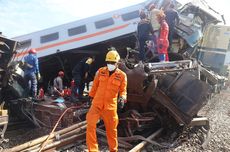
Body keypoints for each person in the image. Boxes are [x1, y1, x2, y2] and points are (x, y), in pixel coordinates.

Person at [86, 49, 127, 152]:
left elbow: (123, 91)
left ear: (117, 63)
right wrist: (90, 96)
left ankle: (113, 150)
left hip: (110, 107)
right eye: (108, 62)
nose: (110, 64)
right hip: (96, 104)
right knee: (90, 125)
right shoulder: (101, 71)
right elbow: (95, 86)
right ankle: (93, 150)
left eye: (112, 63)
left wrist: (122, 98)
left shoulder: (122, 76)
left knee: (112, 131)